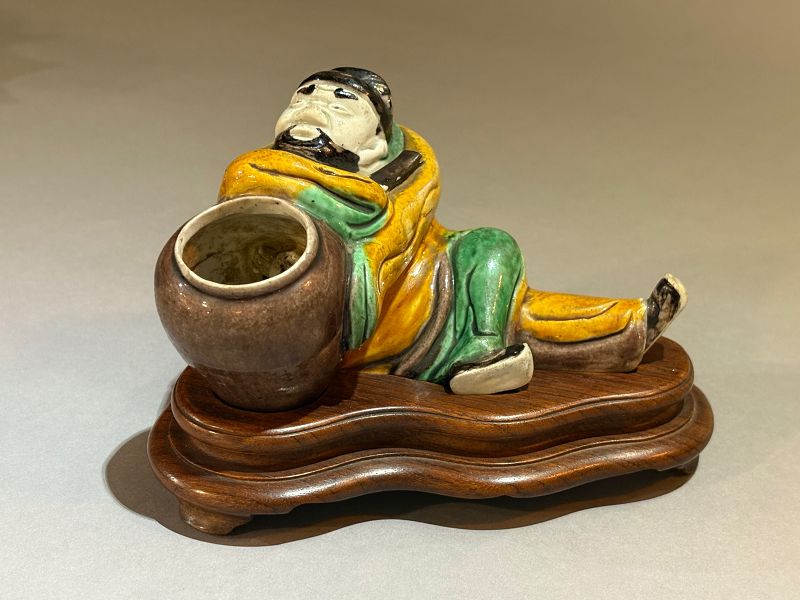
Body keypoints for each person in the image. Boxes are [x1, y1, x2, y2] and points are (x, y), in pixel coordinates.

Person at [218, 67, 686, 395]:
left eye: (342, 102)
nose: (315, 105)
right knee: (517, 316)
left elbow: (399, 233)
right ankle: (616, 333)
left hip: (422, 277)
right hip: (341, 320)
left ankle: (494, 352)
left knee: (492, 253)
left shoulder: (412, 163)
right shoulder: (254, 170)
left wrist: (371, 237)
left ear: (377, 140)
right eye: (304, 95)